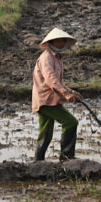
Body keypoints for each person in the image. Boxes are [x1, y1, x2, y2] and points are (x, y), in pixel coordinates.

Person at [32, 27, 83, 161]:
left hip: (48, 99)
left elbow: (57, 81)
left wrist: (70, 91)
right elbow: (51, 80)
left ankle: (38, 161)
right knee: (71, 122)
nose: (64, 43)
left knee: (45, 133)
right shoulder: (46, 58)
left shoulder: (57, 58)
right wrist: (66, 95)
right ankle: (66, 157)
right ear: (53, 42)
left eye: (65, 41)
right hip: (46, 100)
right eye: (61, 41)